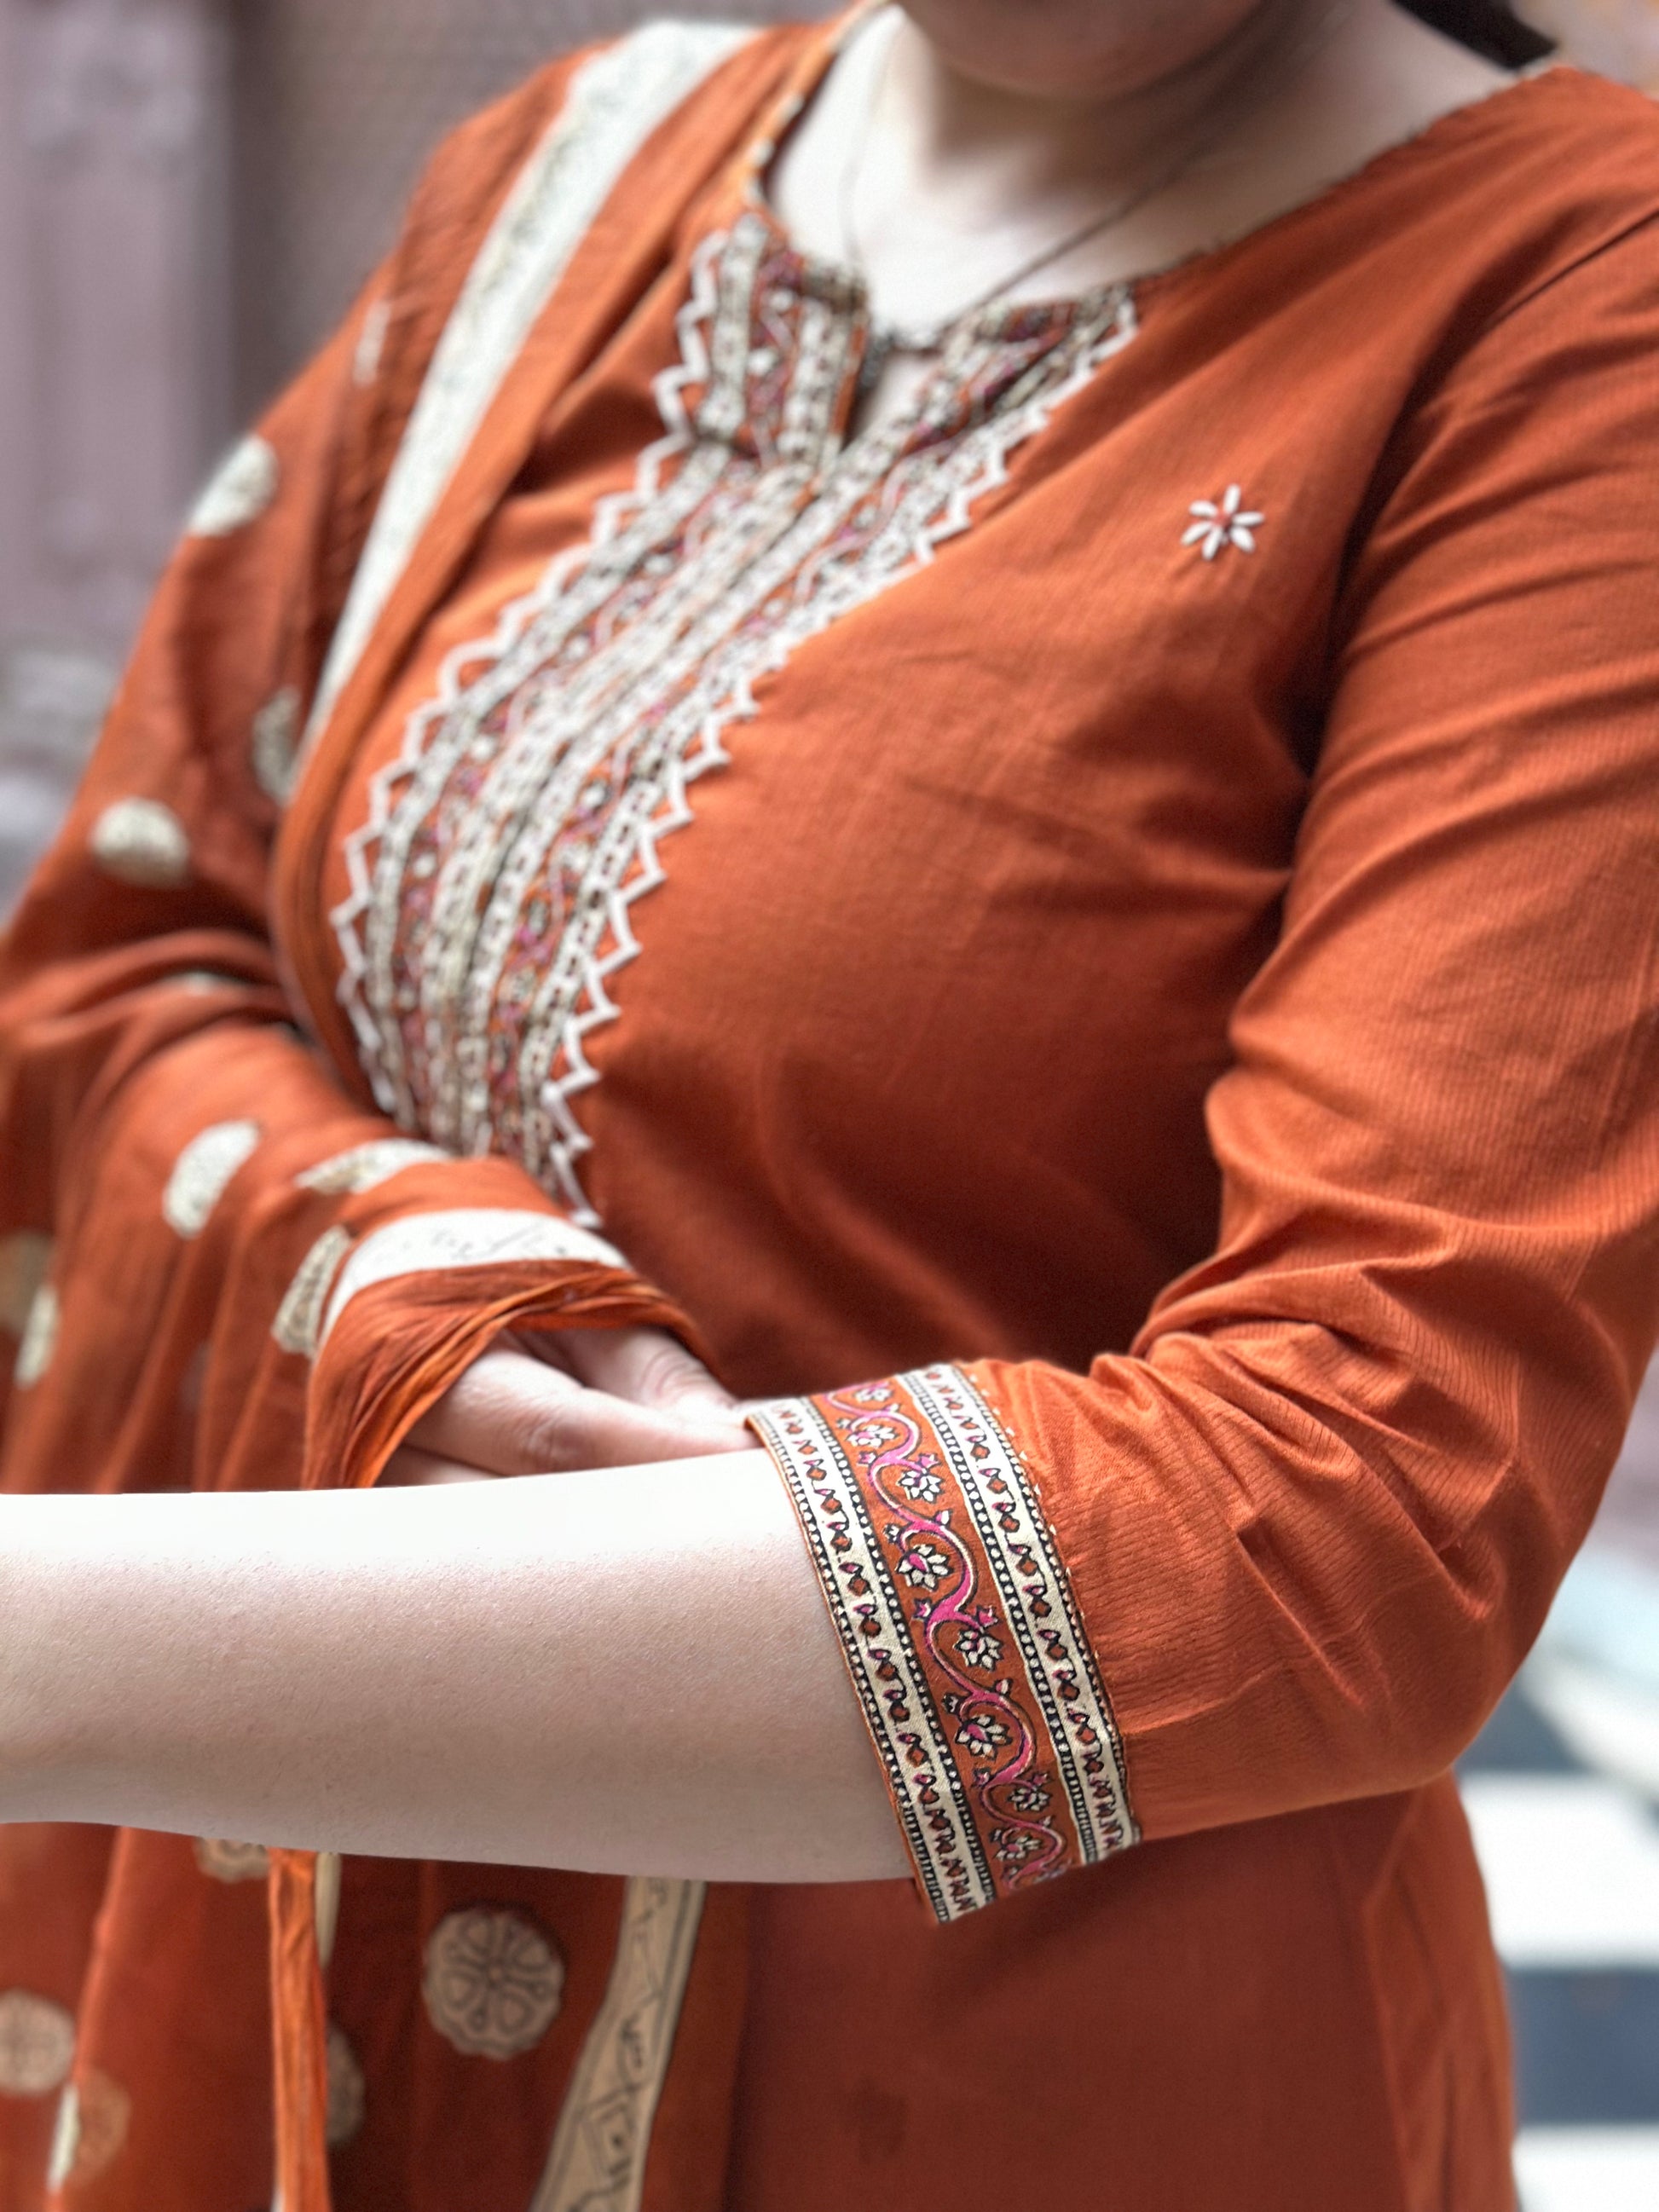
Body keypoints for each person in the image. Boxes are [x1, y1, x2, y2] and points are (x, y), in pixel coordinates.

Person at [1, 0, 1656, 2204]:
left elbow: (1357, 1502)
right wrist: (407, 1261)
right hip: (313, 1977)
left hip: (1013, 2083)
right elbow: (135, 948)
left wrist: (43, 1645)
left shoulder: (1572, 312)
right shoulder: (575, 173)